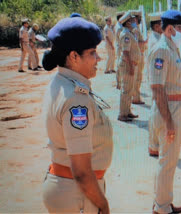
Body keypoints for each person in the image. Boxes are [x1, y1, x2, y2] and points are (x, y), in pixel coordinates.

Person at [41, 16, 113, 214]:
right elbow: (81, 171)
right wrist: (103, 204)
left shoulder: (62, 82)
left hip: (68, 189)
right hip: (77, 193)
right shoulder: (76, 98)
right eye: (92, 53)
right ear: (73, 57)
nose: (98, 58)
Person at [148, 10, 181, 214]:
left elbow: (169, 81)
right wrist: (169, 123)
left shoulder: (172, 47)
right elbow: (157, 88)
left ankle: (163, 201)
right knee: (167, 161)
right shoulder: (161, 50)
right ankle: (162, 207)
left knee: (169, 160)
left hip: (175, 107)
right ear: (169, 29)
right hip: (169, 112)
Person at [117, 12, 140, 122]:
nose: (134, 22)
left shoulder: (129, 33)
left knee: (130, 89)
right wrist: (131, 67)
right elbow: (125, 53)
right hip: (127, 65)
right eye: (132, 21)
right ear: (127, 23)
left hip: (131, 64)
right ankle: (122, 114)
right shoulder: (126, 34)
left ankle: (127, 111)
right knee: (126, 90)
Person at [147, 12, 163, 157]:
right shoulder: (156, 42)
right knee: (156, 113)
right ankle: (154, 145)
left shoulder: (157, 38)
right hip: (156, 82)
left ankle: (153, 144)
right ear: (157, 26)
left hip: (155, 81)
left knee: (155, 113)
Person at [130, 10, 148, 105]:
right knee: (137, 78)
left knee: (138, 77)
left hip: (139, 54)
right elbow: (136, 43)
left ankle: (136, 96)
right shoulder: (135, 29)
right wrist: (145, 42)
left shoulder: (135, 28)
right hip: (137, 55)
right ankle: (135, 98)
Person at [114, 11, 125, 89]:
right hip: (120, 47)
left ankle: (119, 82)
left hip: (119, 46)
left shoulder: (118, 25)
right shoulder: (120, 27)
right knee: (120, 65)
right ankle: (119, 83)